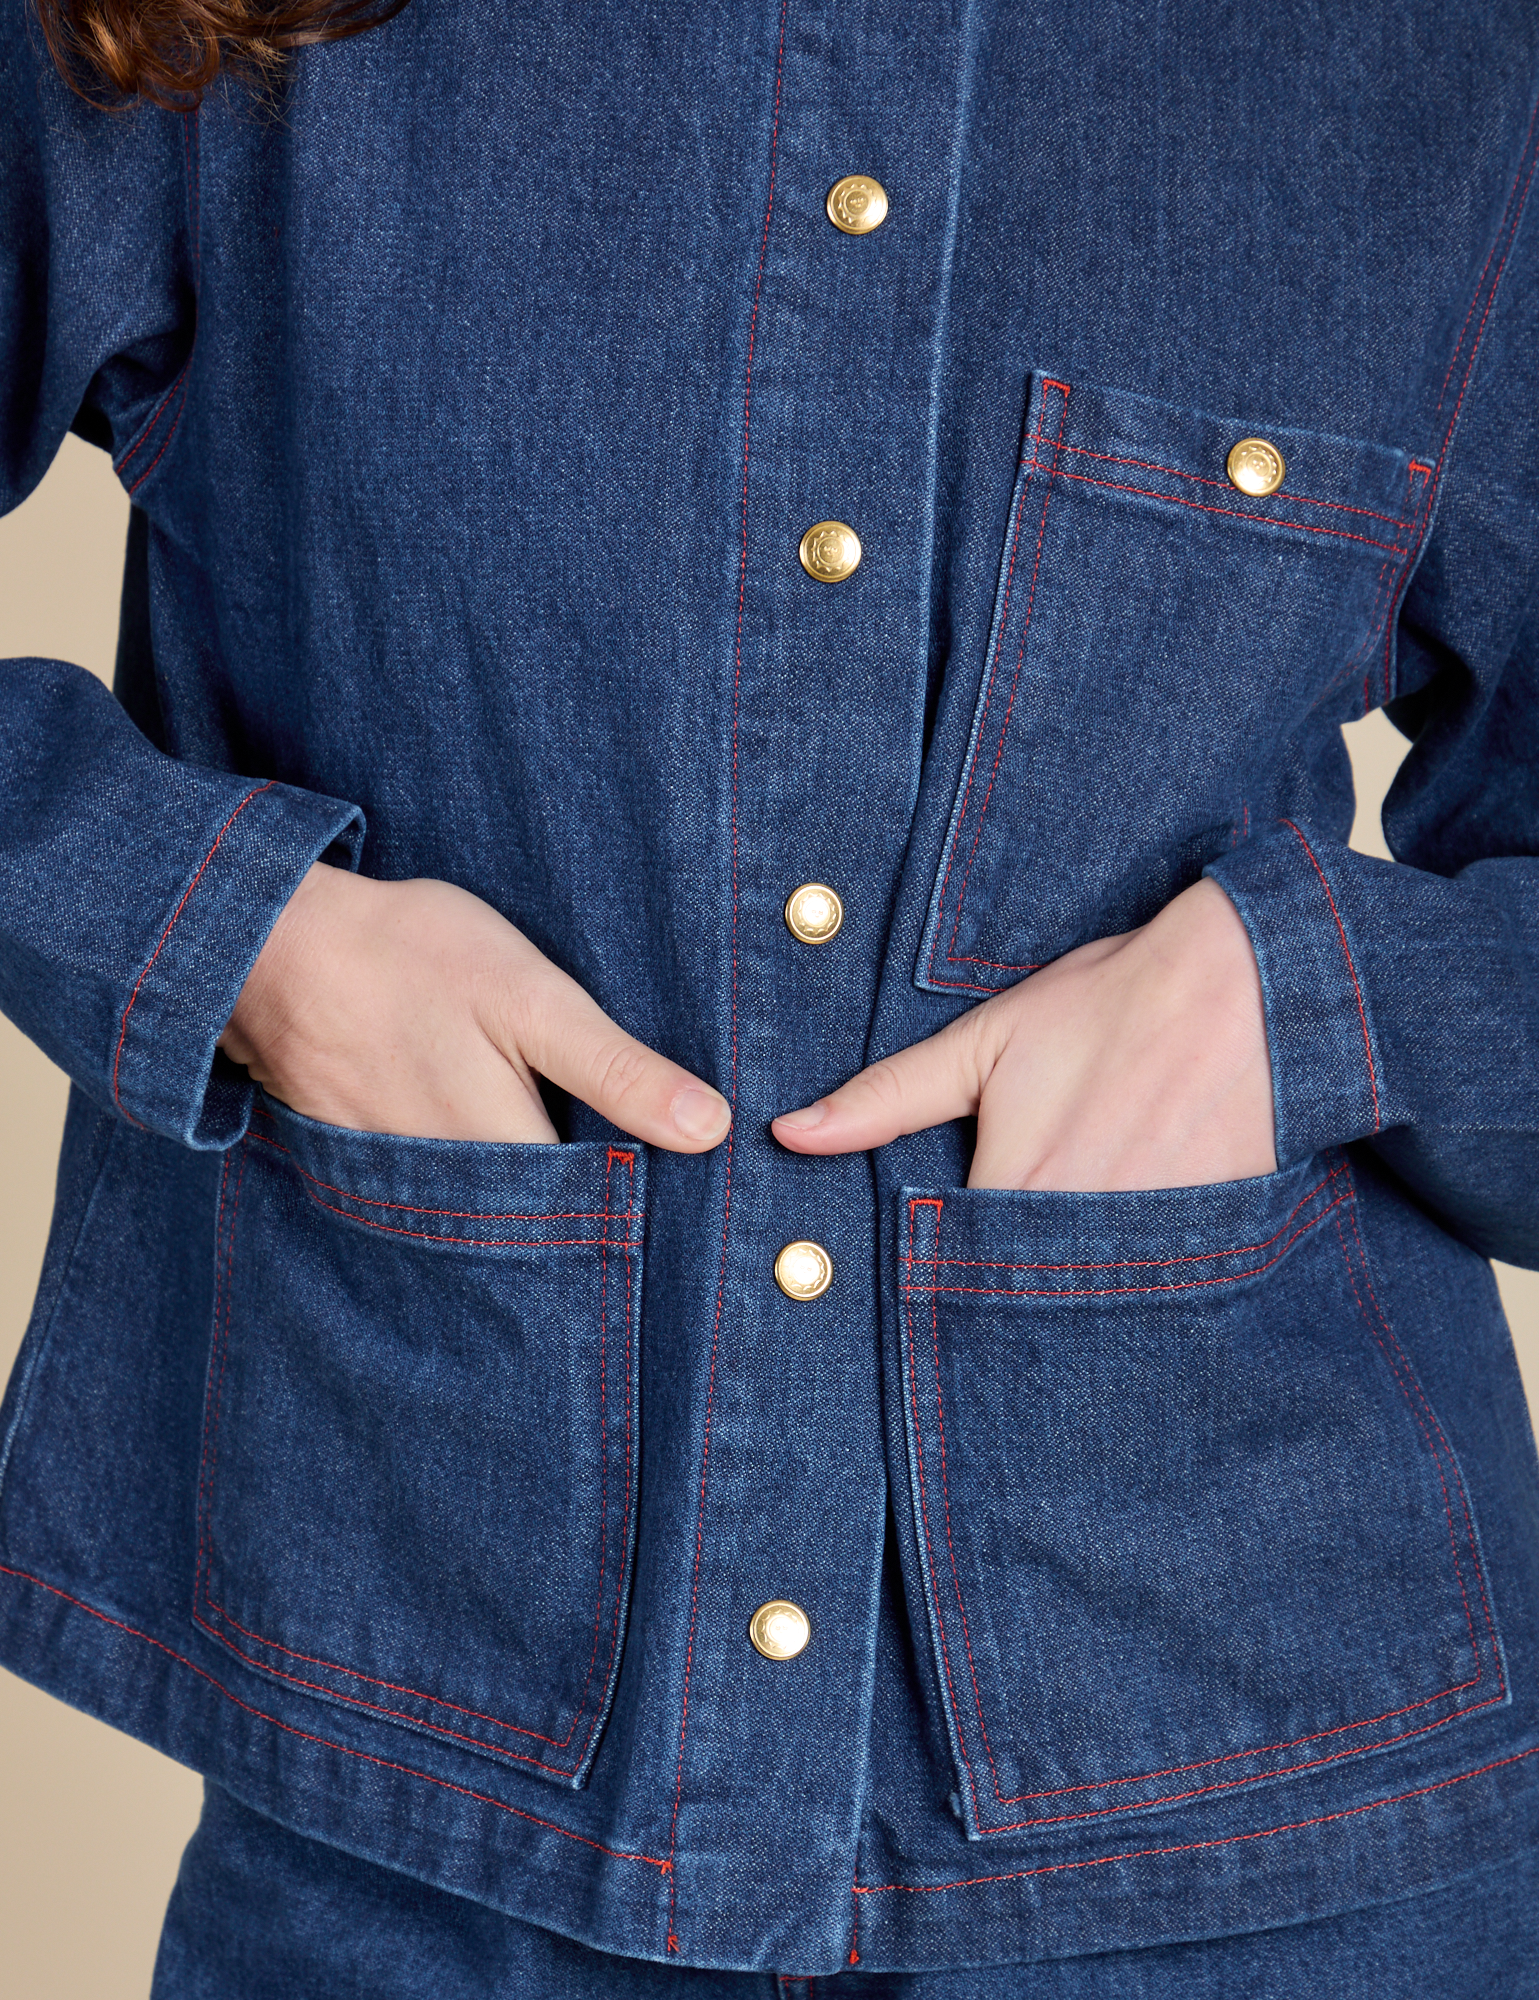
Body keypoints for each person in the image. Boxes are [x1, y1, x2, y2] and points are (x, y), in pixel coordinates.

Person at [2, 0, 1538, 1990]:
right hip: (424, 1799)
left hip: (1276, 1834)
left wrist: (1321, 1001)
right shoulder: (230, 42)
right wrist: (231, 938)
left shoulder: (1449, 57)